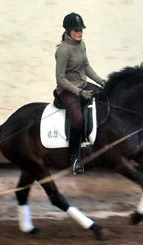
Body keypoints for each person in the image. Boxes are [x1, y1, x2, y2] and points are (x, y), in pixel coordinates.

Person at [55, 12, 106, 175]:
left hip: (83, 84)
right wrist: (79, 92)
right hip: (67, 89)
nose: (80, 32)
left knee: (105, 98)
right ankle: (74, 158)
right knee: (77, 120)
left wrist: (101, 81)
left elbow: (87, 67)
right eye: (76, 30)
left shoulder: (81, 44)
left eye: (81, 30)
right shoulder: (63, 50)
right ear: (68, 30)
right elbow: (60, 79)